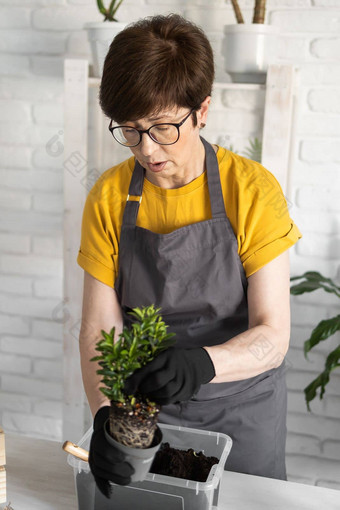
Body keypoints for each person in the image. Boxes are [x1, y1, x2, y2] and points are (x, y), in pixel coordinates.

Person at [77, 14, 302, 497]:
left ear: (202, 110)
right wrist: (104, 415)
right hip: (144, 417)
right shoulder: (109, 197)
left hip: (242, 411)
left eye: (163, 128)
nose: (147, 149)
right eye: (131, 130)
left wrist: (202, 363)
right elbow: (99, 329)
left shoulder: (253, 191)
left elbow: (273, 334)